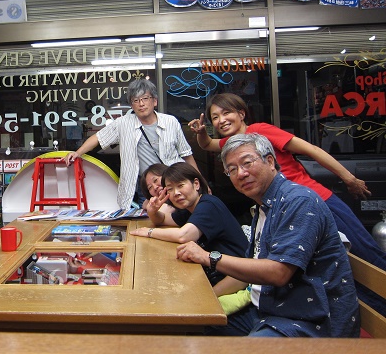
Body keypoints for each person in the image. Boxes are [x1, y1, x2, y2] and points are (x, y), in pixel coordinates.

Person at [177, 133, 360, 337]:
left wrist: (208, 257)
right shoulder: (264, 206)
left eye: (247, 163)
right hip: (266, 310)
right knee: (186, 324)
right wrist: (206, 298)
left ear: (270, 161)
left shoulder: (298, 201)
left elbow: (278, 273)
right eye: (232, 169)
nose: (241, 173)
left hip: (307, 320)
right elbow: (248, 274)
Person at [188, 93, 386, 275]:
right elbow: (207, 144)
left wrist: (349, 179)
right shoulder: (235, 143)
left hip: (317, 201)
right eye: (215, 117)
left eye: (226, 113)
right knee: (332, 263)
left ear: (241, 114)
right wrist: (201, 132)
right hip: (287, 208)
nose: (221, 120)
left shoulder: (259, 131)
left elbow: (311, 150)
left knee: (367, 255)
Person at [64, 78, 198, 208]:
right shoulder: (123, 123)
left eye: (145, 98)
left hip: (173, 183)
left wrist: (200, 182)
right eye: (136, 100)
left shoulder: (171, 122)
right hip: (147, 187)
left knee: (178, 217)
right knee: (149, 218)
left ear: (155, 101)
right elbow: (98, 138)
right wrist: (77, 153)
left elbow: (186, 155)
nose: (141, 104)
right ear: (132, 105)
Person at [131, 162, 248, 286]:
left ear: (196, 184)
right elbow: (162, 220)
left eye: (180, 185)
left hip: (237, 276)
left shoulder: (208, 204)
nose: (176, 193)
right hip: (215, 272)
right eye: (170, 189)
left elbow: (184, 235)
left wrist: (149, 232)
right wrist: (152, 211)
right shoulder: (190, 209)